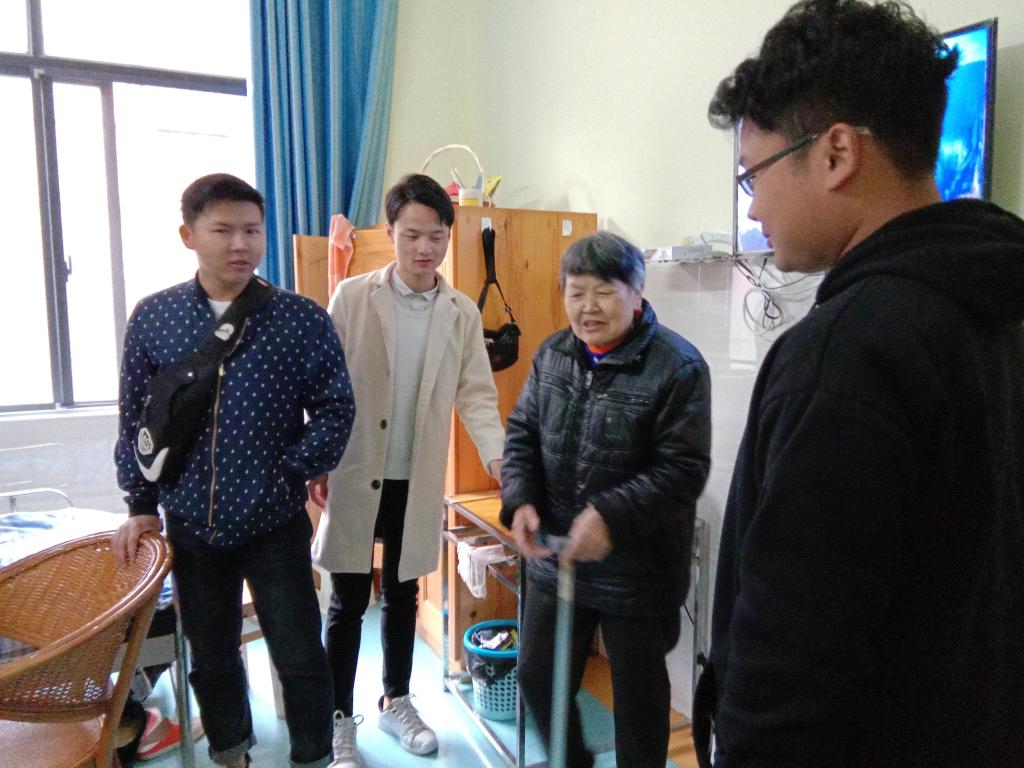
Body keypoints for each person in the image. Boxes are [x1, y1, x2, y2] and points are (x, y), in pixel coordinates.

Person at [694, 2, 1024, 766]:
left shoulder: (845, 356)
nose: (753, 206)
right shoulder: (999, 310)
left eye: (754, 174)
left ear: (837, 152)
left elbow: (789, 679)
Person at [113, 173, 356, 768]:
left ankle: (313, 756)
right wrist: (140, 505)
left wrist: (294, 469)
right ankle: (230, 753)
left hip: (275, 521)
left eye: (252, 230)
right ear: (189, 235)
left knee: (300, 654)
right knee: (212, 655)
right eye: (223, 230)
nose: (241, 244)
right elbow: (136, 415)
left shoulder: (299, 318)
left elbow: (336, 406)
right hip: (191, 524)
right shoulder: (155, 317)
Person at [309, 173, 505, 768]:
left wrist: (499, 459)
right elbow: (323, 385)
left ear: (449, 237)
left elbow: (477, 395)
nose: (425, 248)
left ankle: (396, 700)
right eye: (412, 235)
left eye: (437, 237)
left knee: (402, 592)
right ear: (390, 232)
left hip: (415, 477)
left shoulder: (460, 311)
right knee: (347, 598)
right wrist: (318, 455)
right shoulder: (352, 297)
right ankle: (337, 717)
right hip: (354, 467)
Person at [500, 231, 712, 768]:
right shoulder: (552, 354)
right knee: (537, 676)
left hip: (637, 570)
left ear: (637, 294)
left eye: (603, 291)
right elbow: (523, 432)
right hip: (558, 557)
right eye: (576, 292)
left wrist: (610, 516)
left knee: (637, 699)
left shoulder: (678, 366)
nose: (588, 307)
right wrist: (521, 498)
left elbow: (683, 470)